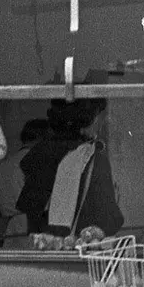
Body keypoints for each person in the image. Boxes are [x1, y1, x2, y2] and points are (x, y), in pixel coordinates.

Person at [15, 98, 123, 236]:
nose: (103, 122)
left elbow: (28, 208)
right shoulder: (91, 158)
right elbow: (109, 219)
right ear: (89, 120)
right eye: (100, 116)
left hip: (42, 244)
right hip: (77, 244)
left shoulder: (39, 153)